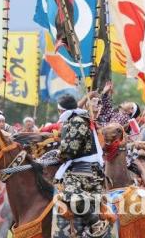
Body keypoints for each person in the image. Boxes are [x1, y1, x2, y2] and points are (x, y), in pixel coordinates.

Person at [54, 94, 109, 238]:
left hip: (86, 169)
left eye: (58, 110)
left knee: (72, 196)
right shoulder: (75, 119)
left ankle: (95, 223)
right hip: (78, 166)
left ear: (61, 110)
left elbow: (70, 149)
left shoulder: (77, 121)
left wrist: (58, 154)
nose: (58, 112)